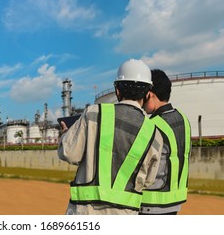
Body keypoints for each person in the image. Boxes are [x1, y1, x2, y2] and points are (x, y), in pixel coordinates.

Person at [58, 58, 163, 215]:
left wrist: (65, 135)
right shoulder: (155, 133)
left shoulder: (93, 113)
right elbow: (147, 180)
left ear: (117, 90)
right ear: (148, 94)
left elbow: (69, 153)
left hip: (85, 213)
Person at [139, 69, 191, 215]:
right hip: (175, 202)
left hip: (151, 202)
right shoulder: (183, 119)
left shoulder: (152, 125)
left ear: (150, 94)